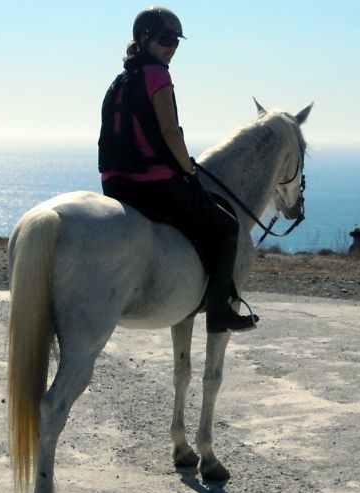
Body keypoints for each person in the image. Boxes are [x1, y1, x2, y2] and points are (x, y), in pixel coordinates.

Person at [98, 6, 257, 333]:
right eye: (163, 39)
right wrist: (188, 171)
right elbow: (171, 131)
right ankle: (219, 312)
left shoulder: (119, 81)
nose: (170, 47)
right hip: (154, 185)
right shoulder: (158, 75)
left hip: (116, 185)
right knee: (227, 227)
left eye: (175, 41)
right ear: (143, 39)